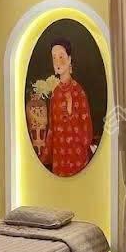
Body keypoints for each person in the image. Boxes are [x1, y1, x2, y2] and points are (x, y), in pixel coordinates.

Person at [42, 38, 94, 176]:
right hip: (59, 157)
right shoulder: (55, 93)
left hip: (77, 158)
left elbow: (87, 132)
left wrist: (71, 113)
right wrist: (45, 158)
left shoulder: (78, 92)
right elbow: (52, 130)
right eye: (54, 58)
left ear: (69, 59)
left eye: (61, 57)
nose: (57, 62)